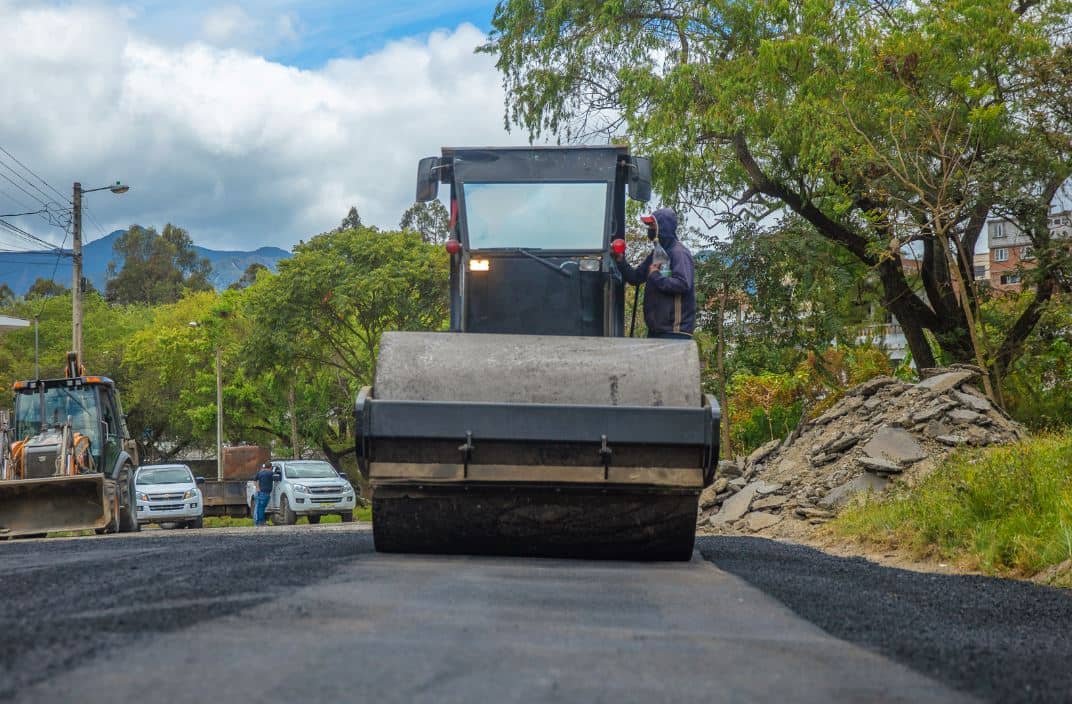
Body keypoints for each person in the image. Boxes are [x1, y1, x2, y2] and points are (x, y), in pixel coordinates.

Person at [613, 207, 696, 339]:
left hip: (675, 332)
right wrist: (620, 260)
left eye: (652, 225)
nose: (649, 228)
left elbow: (683, 284)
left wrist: (656, 276)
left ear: (663, 227)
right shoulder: (657, 253)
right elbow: (635, 278)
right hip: (657, 331)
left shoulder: (678, 253)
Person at [253, 461, 276, 526]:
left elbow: (254, 480)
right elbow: (276, 478)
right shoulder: (270, 473)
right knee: (261, 508)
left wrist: (257, 488)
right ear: (271, 467)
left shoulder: (260, 472)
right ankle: (260, 522)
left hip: (259, 492)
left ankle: (258, 522)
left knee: (258, 507)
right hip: (265, 493)